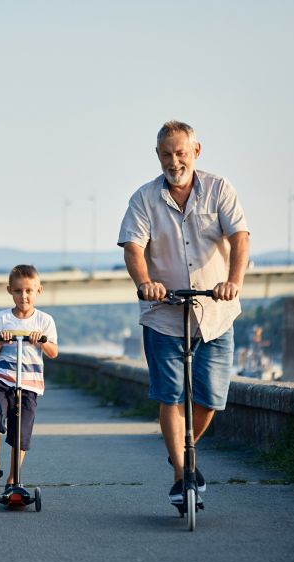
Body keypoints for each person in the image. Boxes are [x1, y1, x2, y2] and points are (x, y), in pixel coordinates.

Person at [117, 120, 250, 505]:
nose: (174, 160)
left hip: (215, 311)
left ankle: (182, 447)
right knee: (170, 395)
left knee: (210, 398)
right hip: (164, 313)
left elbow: (240, 237)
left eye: (180, 152)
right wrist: (146, 283)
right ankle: (182, 471)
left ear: (196, 151)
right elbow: (133, 248)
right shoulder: (143, 199)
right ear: (157, 156)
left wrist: (233, 281)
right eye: (165, 154)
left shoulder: (219, 189)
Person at [0, 265, 59, 491]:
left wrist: (41, 340)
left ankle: (14, 478)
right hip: (2, 378)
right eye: (18, 291)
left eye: (29, 291)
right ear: (10, 291)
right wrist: (0, 341)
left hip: (29, 383)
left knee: (20, 430)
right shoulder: (1, 319)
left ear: (38, 291)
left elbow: (53, 352)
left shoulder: (44, 321)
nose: (24, 296)